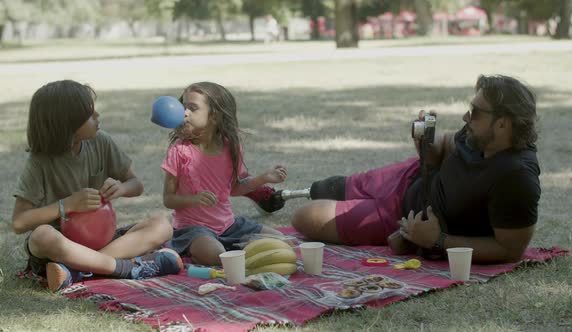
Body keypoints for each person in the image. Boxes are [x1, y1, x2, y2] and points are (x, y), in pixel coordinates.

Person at [290, 74, 540, 264]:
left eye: (475, 112)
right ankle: (284, 194)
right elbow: (444, 150)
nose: (466, 117)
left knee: (304, 217)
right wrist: (426, 147)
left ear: (503, 124)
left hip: (405, 215)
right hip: (412, 174)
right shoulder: (479, 136)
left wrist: (438, 241)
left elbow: (510, 250)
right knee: (331, 187)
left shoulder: (516, 176)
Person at [11, 80, 183, 292]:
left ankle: (76, 271)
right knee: (42, 235)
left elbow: (136, 185)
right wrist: (67, 205)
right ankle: (125, 268)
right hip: (62, 247)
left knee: (162, 225)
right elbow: (19, 222)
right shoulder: (40, 161)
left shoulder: (101, 141)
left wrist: (121, 189)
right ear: (68, 125)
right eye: (90, 115)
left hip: (102, 240)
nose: (98, 116)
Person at [162, 82, 287, 266]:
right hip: (193, 229)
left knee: (282, 241)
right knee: (218, 256)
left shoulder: (231, 147)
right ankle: (215, 249)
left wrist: (263, 178)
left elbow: (234, 189)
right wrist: (194, 199)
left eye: (193, 108)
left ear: (215, 115)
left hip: (229, 225)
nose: (184, 113)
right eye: (184, 107)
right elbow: (168, 199)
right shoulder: (179, 151)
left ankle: (235, 248)